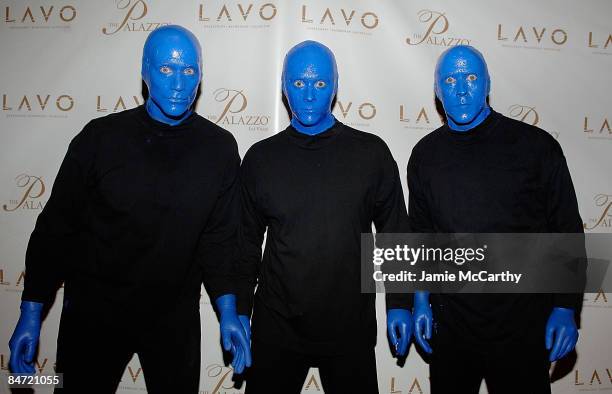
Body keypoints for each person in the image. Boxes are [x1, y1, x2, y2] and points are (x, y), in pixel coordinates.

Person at [8, 25, 250, 393]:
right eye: (167, 69)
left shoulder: (218, 148)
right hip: (93, 314)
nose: (179, 82)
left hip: (173, 319)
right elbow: (56, 229)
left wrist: (229, 310)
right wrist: (31, 311)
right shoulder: (99, 138)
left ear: (201, 75)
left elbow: (219, 240)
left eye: (189, 70)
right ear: (144, 71)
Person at [234, 40, 411, 394]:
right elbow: (244, 243)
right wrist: (239, 309)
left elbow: (395, 231)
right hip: (276, 325)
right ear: (284, 87)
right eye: (299, 83)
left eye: (319, 83)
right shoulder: (261, 159)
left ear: (335, 84)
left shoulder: (370, 153)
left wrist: (401, 303)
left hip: (350, 327)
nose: (310, 94)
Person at [409, 45, 583, 393]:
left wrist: (566, 307)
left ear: (487, 84)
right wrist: (419, 301)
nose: (461, 88)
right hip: (452, 329)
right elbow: (421, 238)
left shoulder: (536, 146)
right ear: (437, 90)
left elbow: (567, 229)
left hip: (523, 328)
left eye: (471, 77)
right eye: (450, 79)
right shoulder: (424, 155)